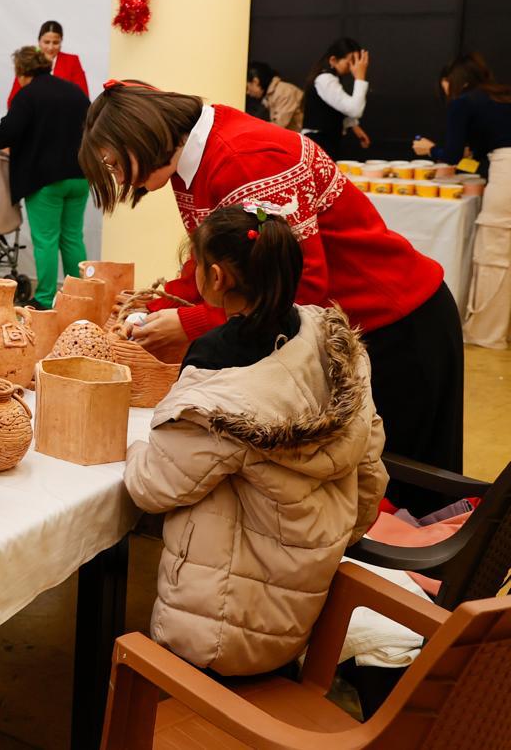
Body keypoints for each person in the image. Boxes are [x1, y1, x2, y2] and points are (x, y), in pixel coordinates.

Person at [79, 82, 459, 510]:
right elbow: (217, 258)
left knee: (407, 506)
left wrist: (189, 323)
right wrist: (162, 304)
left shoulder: (244, 160)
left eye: (114, 164)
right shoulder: (193, 162)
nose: (118, 178)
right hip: (360, 326)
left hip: (398, 324)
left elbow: (296, 288)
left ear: (142, 137)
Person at [123, 206, 386, 676]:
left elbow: (153, 487)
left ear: (217, 277)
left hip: (220, 631)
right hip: (302, 606)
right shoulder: (327, 344)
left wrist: (131, 446)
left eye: (197, 266)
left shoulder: (219, 374)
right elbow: (370, 475)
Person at [0, 46, 91, 308]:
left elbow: (7, 132)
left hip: (46, 181)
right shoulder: (75, 93)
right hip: (80, 176)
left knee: (46, 240)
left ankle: (45, 298)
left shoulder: (28, 96)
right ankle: (80, 296)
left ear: (22, 72)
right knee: (72, 237)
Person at [415, 54, 511, 348]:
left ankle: (487, 334)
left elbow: (451, 158)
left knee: (494, 254)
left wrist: (431, 150)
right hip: (500, 165)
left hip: (506, 172)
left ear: (453, 81)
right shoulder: (500, 98)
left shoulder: (464, 102)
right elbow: (474, 157)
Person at [301, 37, 371, 159]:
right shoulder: (325, 79)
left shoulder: (329, 78)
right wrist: (360, 77)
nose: (353, 67)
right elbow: (355, 110)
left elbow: (338, 106)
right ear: (333, 60)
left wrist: (354, 126)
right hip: (319, 142)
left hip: (325, 140)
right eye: (350, 62)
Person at [7, 20, 88, 106]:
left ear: (61, 42)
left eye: (55, 43)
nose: (50, 47)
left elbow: (83, 96)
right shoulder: (28, 61)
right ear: (39, 41)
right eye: (46, 42)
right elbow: (13, 100)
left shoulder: (72, 61)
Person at [245, 61, 303, 131]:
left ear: (255, 81)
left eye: (247, 87)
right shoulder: (271, 94)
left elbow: (279, 125)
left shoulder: (283, 91)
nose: (247, 92)